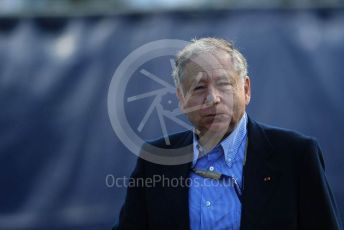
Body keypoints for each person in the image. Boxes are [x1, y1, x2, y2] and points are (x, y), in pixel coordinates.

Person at [113, 38, 342, 230]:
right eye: (199, 88)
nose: (213, 98)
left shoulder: (295, 155)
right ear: (181, 100)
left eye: (224, 84)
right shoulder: (156, 159)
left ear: (246, 89)